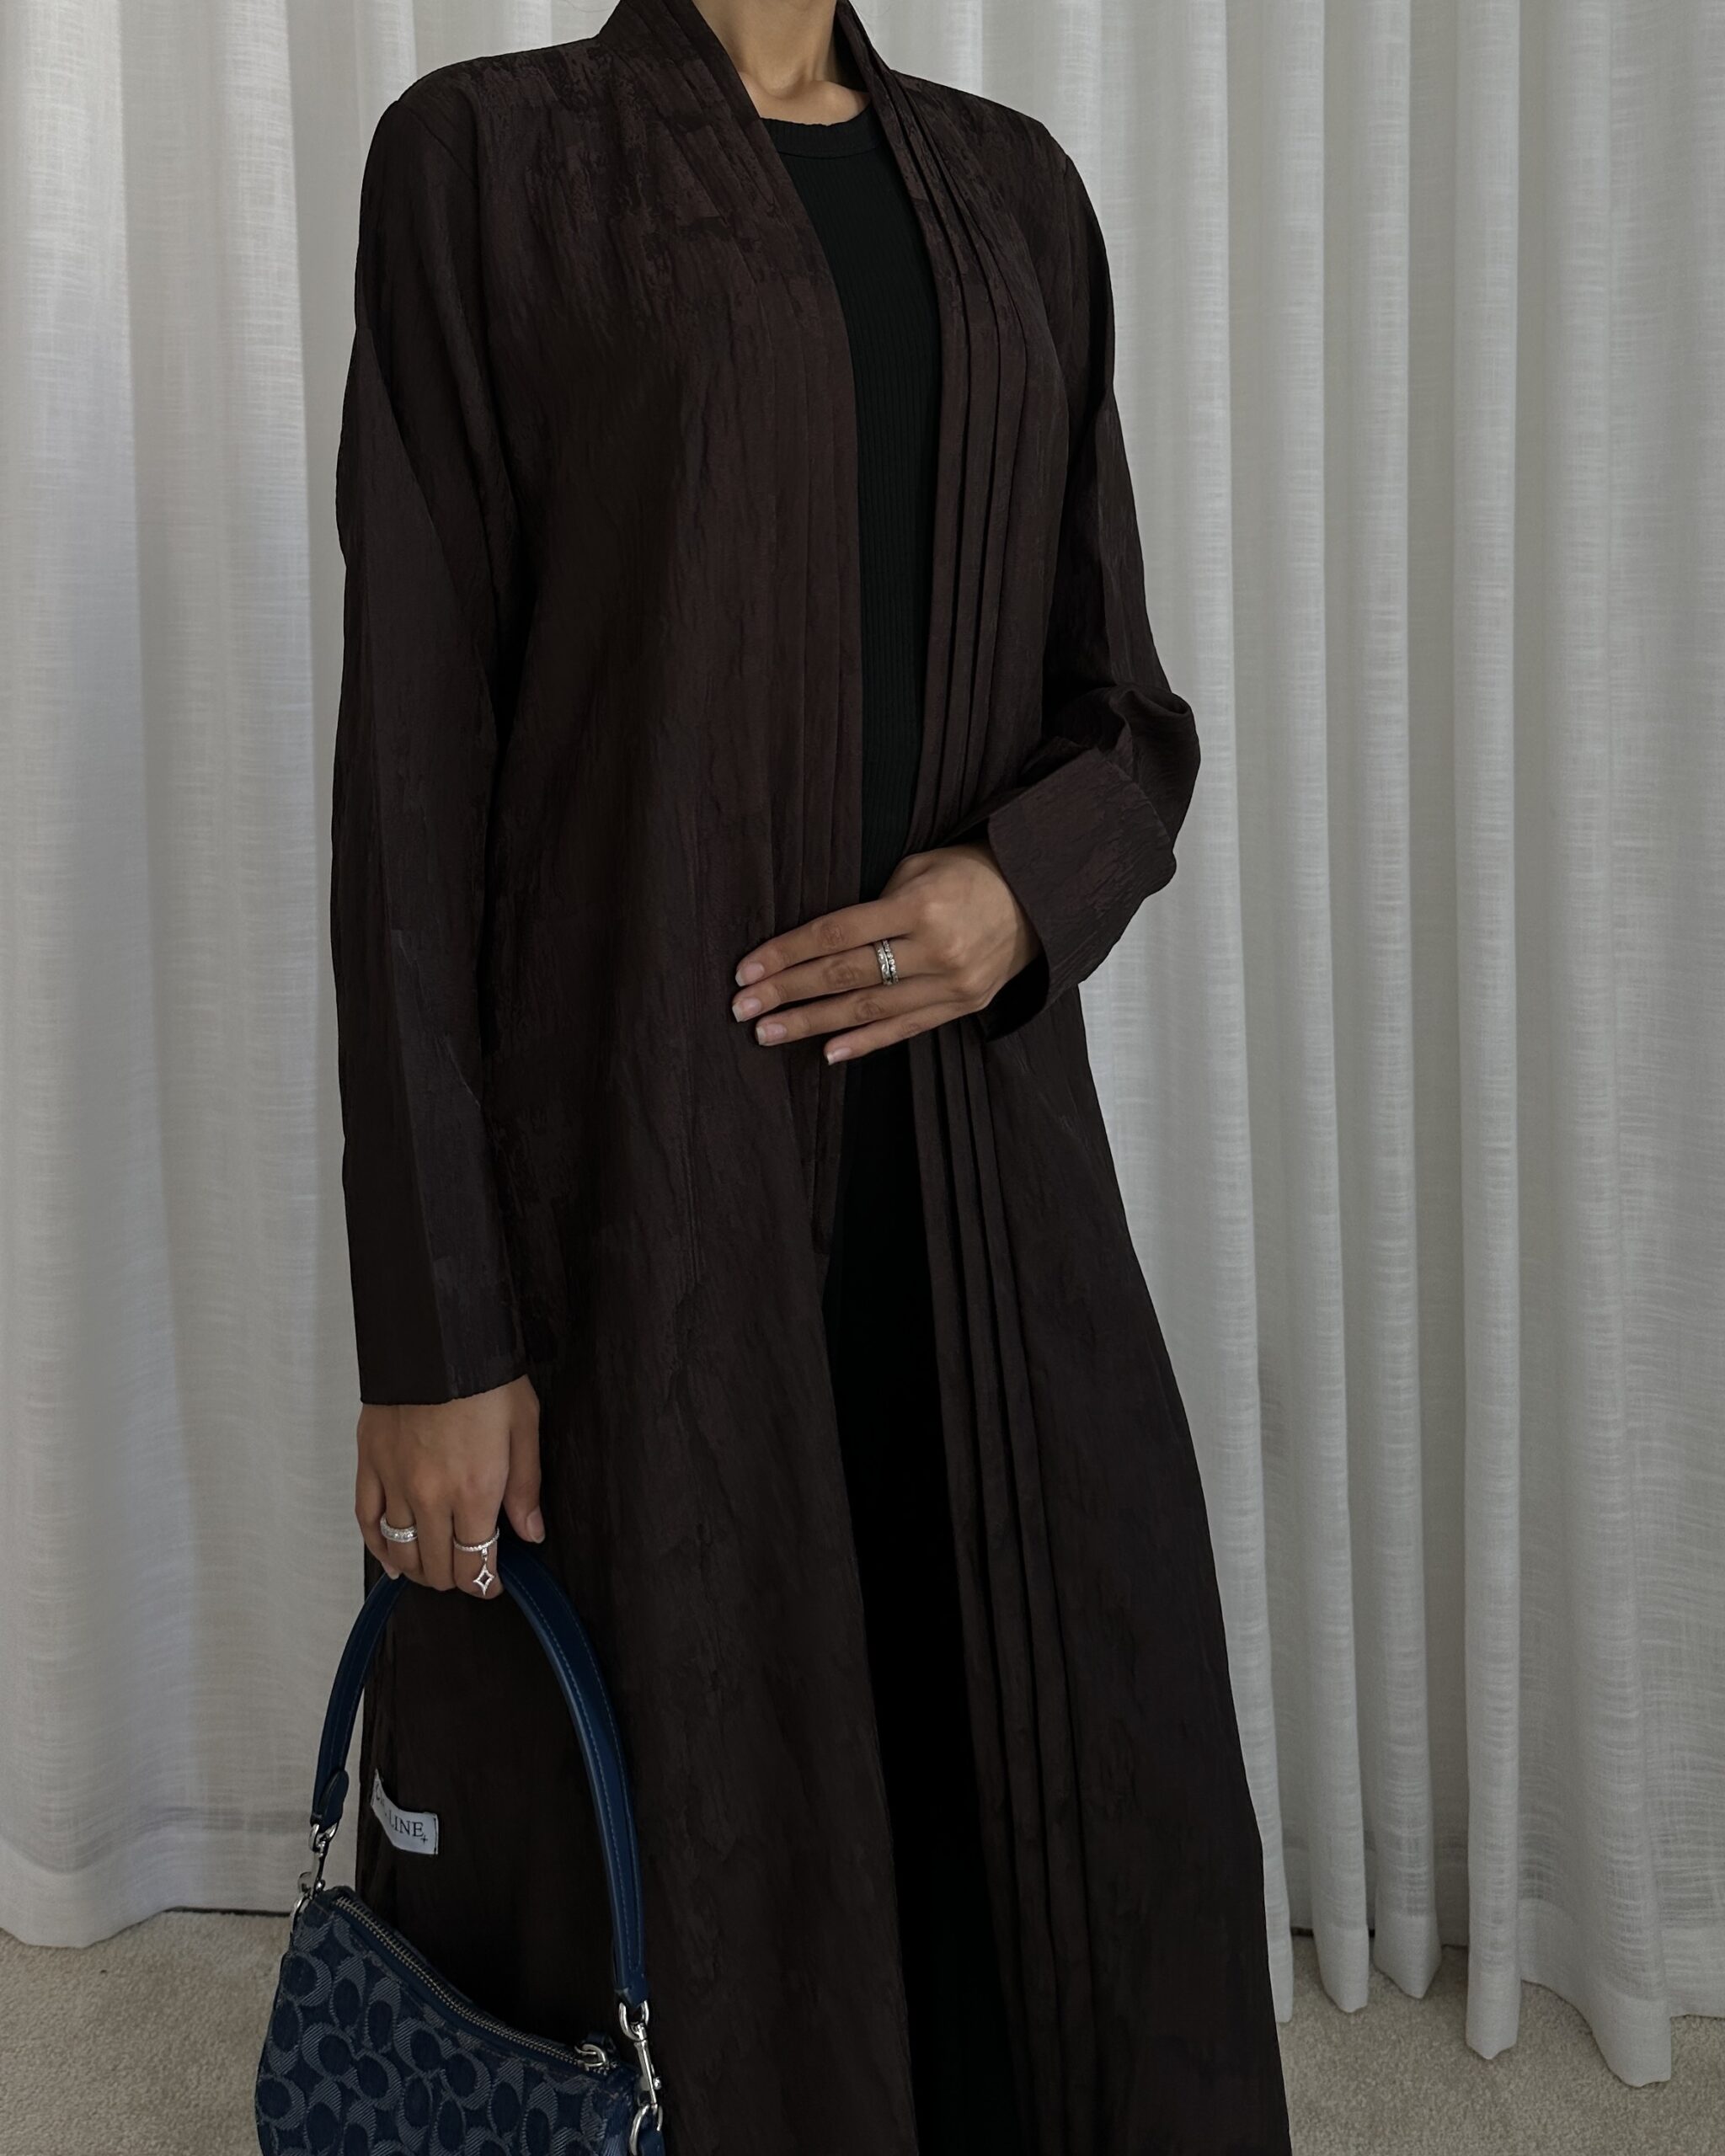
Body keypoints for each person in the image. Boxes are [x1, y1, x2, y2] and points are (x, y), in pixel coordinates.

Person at [331, 0, 1294, 2150]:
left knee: (1073, 1767)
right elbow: (408, 774)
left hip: (982, 1179)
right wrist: (436, 1331)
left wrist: (1018, 892)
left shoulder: (1017, 195)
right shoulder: (487, 166)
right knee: (689, 1848)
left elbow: (1123, 713)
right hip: (643, 1189)